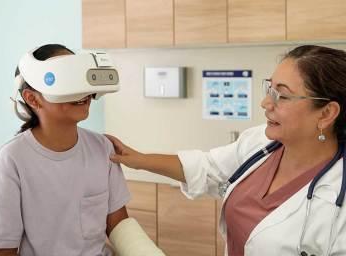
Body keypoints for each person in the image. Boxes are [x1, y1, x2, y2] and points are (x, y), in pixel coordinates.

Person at [106, 45, 346, 256]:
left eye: (282, 95)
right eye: (269, 89)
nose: (265, 103)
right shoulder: (259, 143)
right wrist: (138, 160)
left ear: (326, 113)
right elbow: (208, 167)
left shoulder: (339, 198)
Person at [0, 44, 164, 256]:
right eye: (67, 80)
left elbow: (118, 226)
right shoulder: (11, 161)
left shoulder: (102, 149)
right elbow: (0, 252)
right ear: (32, 98)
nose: (82, 92)